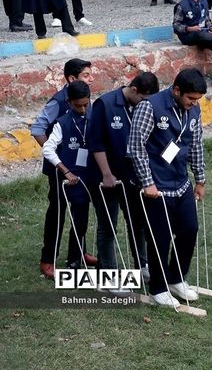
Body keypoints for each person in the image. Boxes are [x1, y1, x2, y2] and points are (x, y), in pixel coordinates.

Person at [128, 68, 207, 308]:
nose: (193, 104)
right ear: (176, 90)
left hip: (181, 182)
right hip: (156, 185)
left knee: (189, 229)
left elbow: (196, 142)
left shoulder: (193, 110)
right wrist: (147, 182)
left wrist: (200, 179)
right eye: (189, 99)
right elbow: (135, 146)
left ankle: (176, 278)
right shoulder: (149, 106)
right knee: (160, 238)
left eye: (197, 100)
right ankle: (158, 288)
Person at [88, 72, 160, 283]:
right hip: (107, 177)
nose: (146, 105)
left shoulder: (143, 106)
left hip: (132, 177)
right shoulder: (105, 104)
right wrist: (106, 174)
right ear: (135, 90)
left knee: (137, 222)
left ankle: (142, 265)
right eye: (144, 100)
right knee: (108, 225)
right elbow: (95, 142)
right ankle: (109, 274)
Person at [32, 58, 95, 279]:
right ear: (71, 78)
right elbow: (37, 128)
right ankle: (48, 259)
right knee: (57, 213)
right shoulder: (57, 102)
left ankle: (78, 253)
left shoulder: (85, 98)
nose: (91, 78)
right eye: (86, 75)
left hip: (81, 168)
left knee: (81, 209)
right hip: (59, 170)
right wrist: (58, 158)